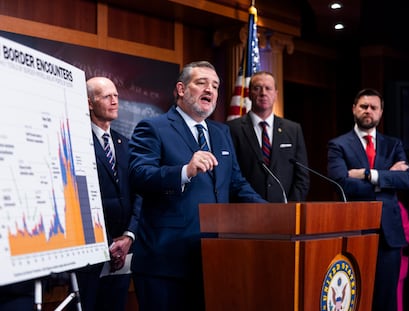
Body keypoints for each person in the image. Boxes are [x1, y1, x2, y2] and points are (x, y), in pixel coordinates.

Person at [128, 60, 266, 311]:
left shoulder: (221, 132)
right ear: (181, 89)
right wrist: (184, 171)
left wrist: (272, 212)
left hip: (213, 260)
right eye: (201, 83)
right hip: (165, 263)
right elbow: (139, 175)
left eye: (215, 85)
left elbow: (236, 183)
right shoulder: (153, 128)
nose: (210, 90)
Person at [327, 88, 409, 311]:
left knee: (386, 302)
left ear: (381, 112)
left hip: (389, 236)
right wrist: (387, 178)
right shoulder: (338, 145)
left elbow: (406, 180)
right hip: (356, 229)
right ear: (354, 109)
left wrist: (367, 174)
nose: (368, 111)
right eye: (364, 106)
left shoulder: (393, 145)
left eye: (374, 107)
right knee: (357, 299)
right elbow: (341, 183)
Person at [74, 77, 140, 310]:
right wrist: (107, 245)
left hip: (124, 251)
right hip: (90, 257)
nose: (114, 101)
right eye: (106, 96)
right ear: (90, 103)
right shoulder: (76, 140)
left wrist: (128, 236)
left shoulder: (126, 144)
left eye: (116, 96)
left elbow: (138, 194)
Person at [227, 71, 309, 202]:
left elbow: (302, 177)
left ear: (276, 94)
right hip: (245, 211)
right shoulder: (232, 129)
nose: (263, 93)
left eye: (268, 88)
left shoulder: (293, 129)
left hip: (284, 212)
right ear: (248, 93)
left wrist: (290, 208)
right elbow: (230, 175)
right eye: (257, 88)